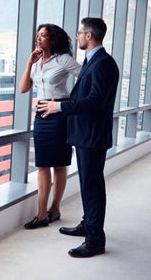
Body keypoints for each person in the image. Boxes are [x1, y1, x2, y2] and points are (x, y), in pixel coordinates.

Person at [37, 17, 120, 258]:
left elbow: (95, 101)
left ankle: (95, 240)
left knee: (92, 186)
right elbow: (85, 97)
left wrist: (60, 108)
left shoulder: (103, 63)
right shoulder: (93, 61)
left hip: (91, 136)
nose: (77, 36)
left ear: (90, 36)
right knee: (88, 184)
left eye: (80, 32)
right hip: (86, 134)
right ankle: (88, 224)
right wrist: (60, 103)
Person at [19, 24, 81, 230]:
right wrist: (29, 63)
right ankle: (41, 213)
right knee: (42, 165)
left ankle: (55, 209)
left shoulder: (63, 60)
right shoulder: (36, 63)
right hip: (41, 117)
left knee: (60, 164)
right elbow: (23, 88)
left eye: (43, 36)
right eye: (38, 35)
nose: (39, 39)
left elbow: (86, 76)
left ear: (53, 40)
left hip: (59, 115)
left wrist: (67, 103)